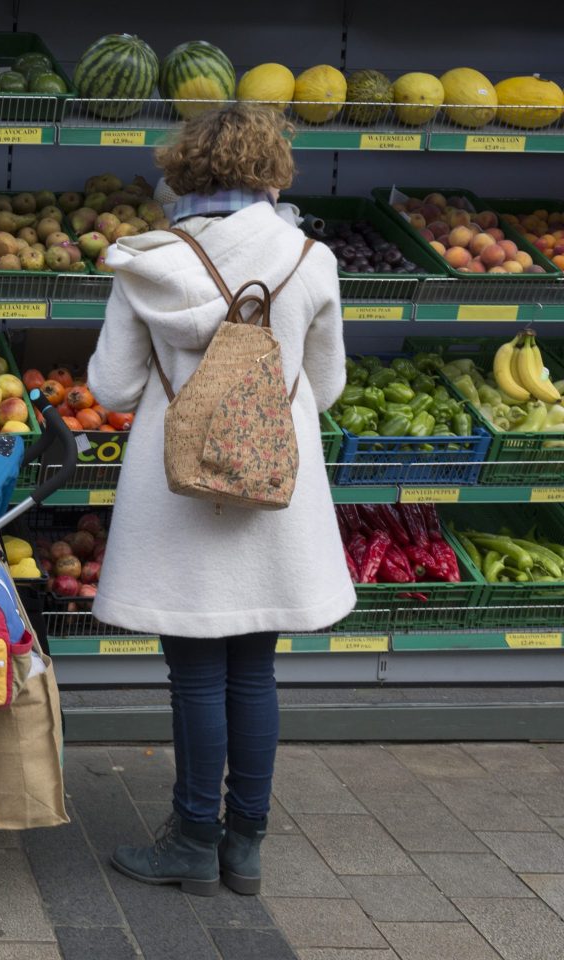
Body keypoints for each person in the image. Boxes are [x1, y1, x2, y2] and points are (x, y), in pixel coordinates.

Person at [86, 104, 355, 898]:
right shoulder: (311, 258)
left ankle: (192, 839)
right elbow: (329, 386)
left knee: (196, 676)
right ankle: (245, 847)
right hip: (274, 487)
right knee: (255, 674)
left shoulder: (149, 261)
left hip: (178, 494)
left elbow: (110, 385)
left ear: (184, 170)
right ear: (272, 168)